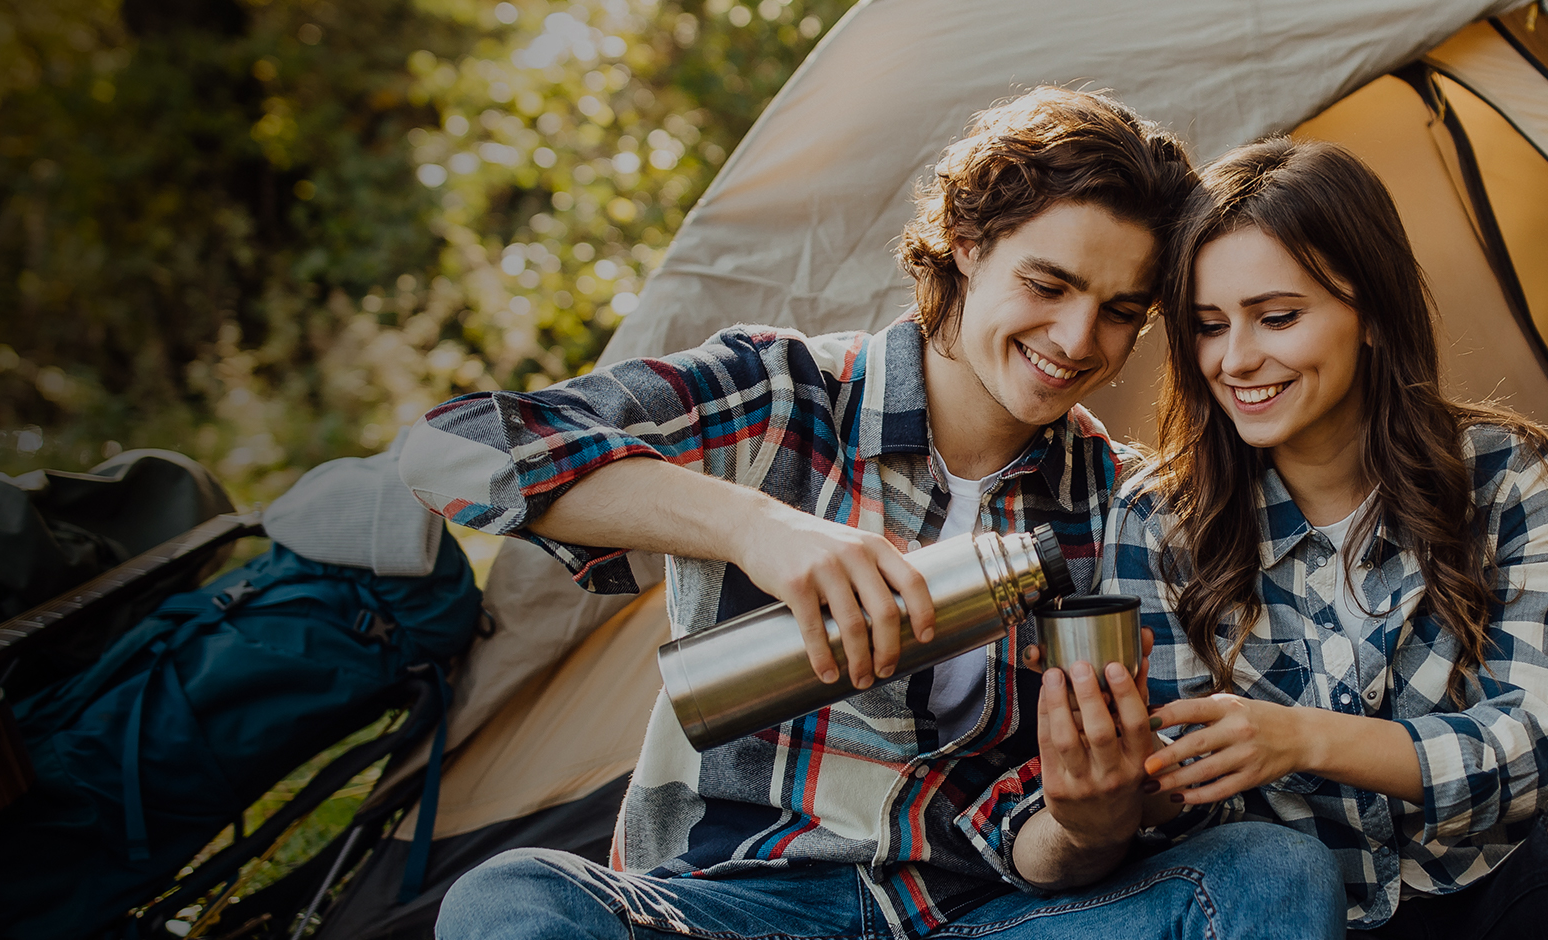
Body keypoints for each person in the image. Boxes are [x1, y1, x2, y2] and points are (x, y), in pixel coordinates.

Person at [403, 88, 1344, 939]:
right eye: (1049, 286)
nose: (1074, 341)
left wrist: (1085, 826)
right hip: (726, 907)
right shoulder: (785, 397)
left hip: (985, 916)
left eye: (1118, 312)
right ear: (969, 243)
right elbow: (451, 451)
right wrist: (759, 530)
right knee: (510, 901)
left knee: (1270, 871)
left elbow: (1044, 853)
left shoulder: (1116, 504)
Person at [1103, 137, 1548, 939]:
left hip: (1490, 882)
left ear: (1371, 313)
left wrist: (1302, 739)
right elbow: (1176, 823)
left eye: (1277, 317)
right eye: (1208, 325)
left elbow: (1533, 741)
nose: (1236, 359)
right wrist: (1117, 784)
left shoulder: (1508, 478)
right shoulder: (1156, 522)